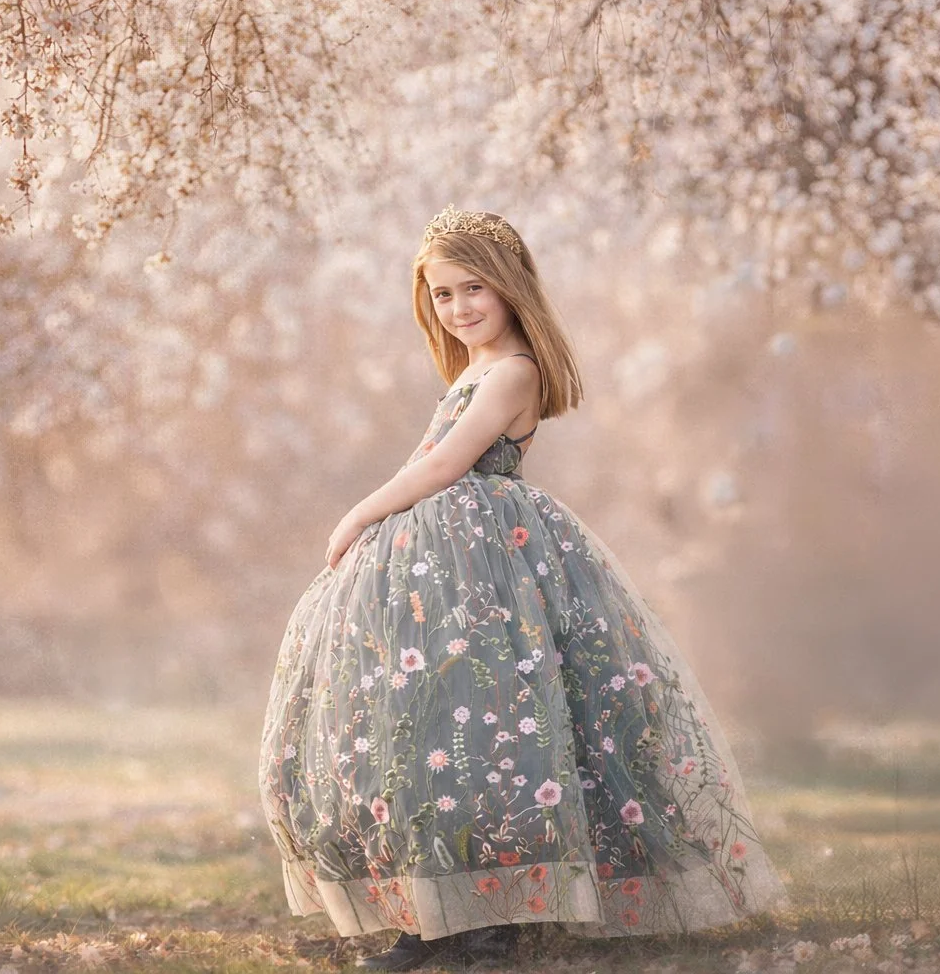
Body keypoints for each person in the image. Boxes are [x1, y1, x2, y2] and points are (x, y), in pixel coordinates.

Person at [258, 205, 789, 971]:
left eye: (473, 288)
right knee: (436, 726)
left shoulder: (513, 372)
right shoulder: (470, 372)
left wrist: (356, 516)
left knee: (491, 728)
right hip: (445, 564)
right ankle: (447, 901)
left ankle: (490, 914)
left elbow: (443, 468)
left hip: (489, 566)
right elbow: (423, 458)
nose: (459, 307)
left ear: (510, 288)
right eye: (442, 295)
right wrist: (379, 532)